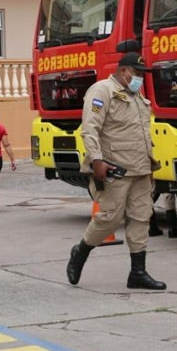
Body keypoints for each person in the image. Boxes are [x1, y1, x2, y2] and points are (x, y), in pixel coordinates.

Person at [66, 52, 166, 290]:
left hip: (141, 169)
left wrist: (149, 167)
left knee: (142, 218)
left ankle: (138, 273)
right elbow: (89, 129)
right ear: (124, 71)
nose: (140, 78)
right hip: (115, 169)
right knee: (109, 219)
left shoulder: (136, 96)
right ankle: (81, 251)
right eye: (138, 74)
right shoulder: (102, 91)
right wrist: (97, 160)